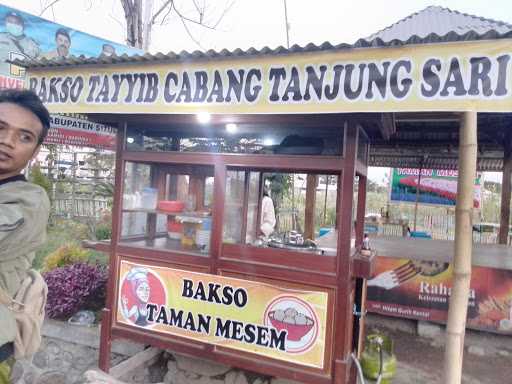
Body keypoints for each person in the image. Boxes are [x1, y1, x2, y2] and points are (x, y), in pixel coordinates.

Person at [0, 89, 50, 382]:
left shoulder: (29, 200)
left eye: (24, 137)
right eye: (1, 128)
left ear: (34, 152)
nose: (7, 141)